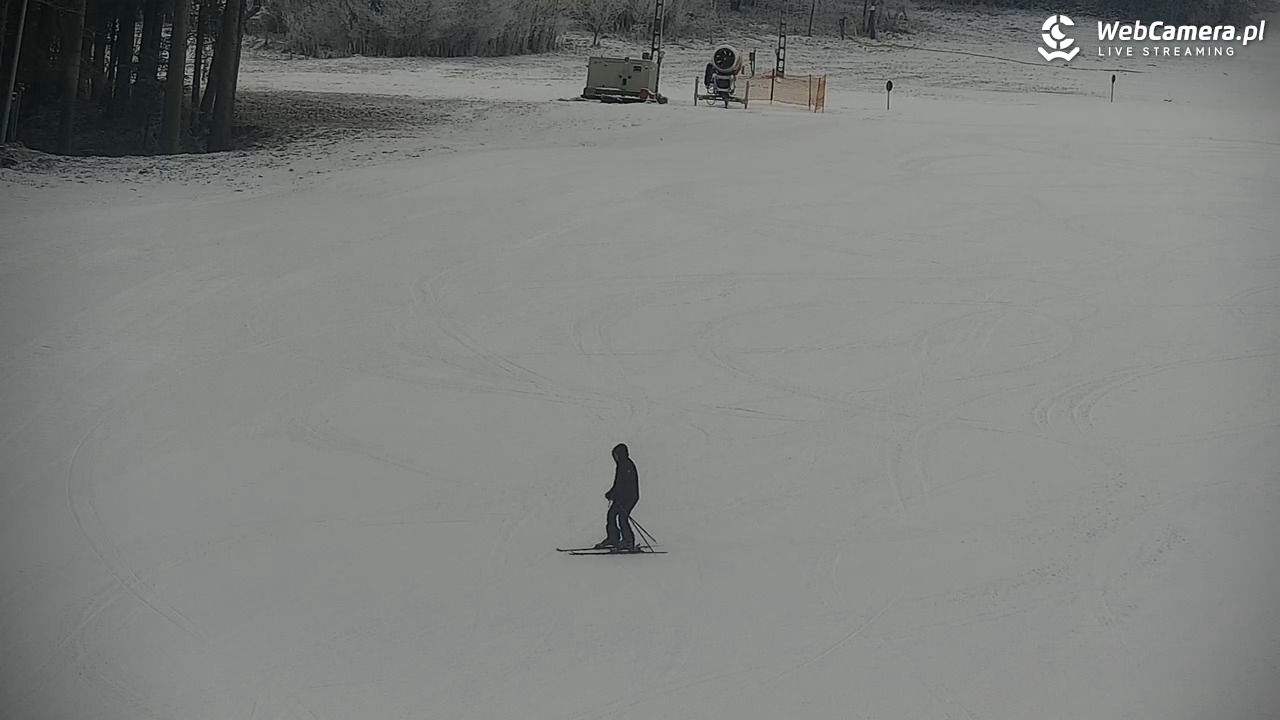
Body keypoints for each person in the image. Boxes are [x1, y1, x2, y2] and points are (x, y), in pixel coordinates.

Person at [595, 443, 639, 550]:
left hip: (629, 497)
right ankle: (613, 538)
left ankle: (628, 541)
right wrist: (612, 493)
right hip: (621, 497)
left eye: (615, 455)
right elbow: (618, 484)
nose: (614, 457)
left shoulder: (627, 465)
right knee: (611, 514)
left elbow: (627, 485)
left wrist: (616, 494)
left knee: (622, 518)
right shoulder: (621, 465)